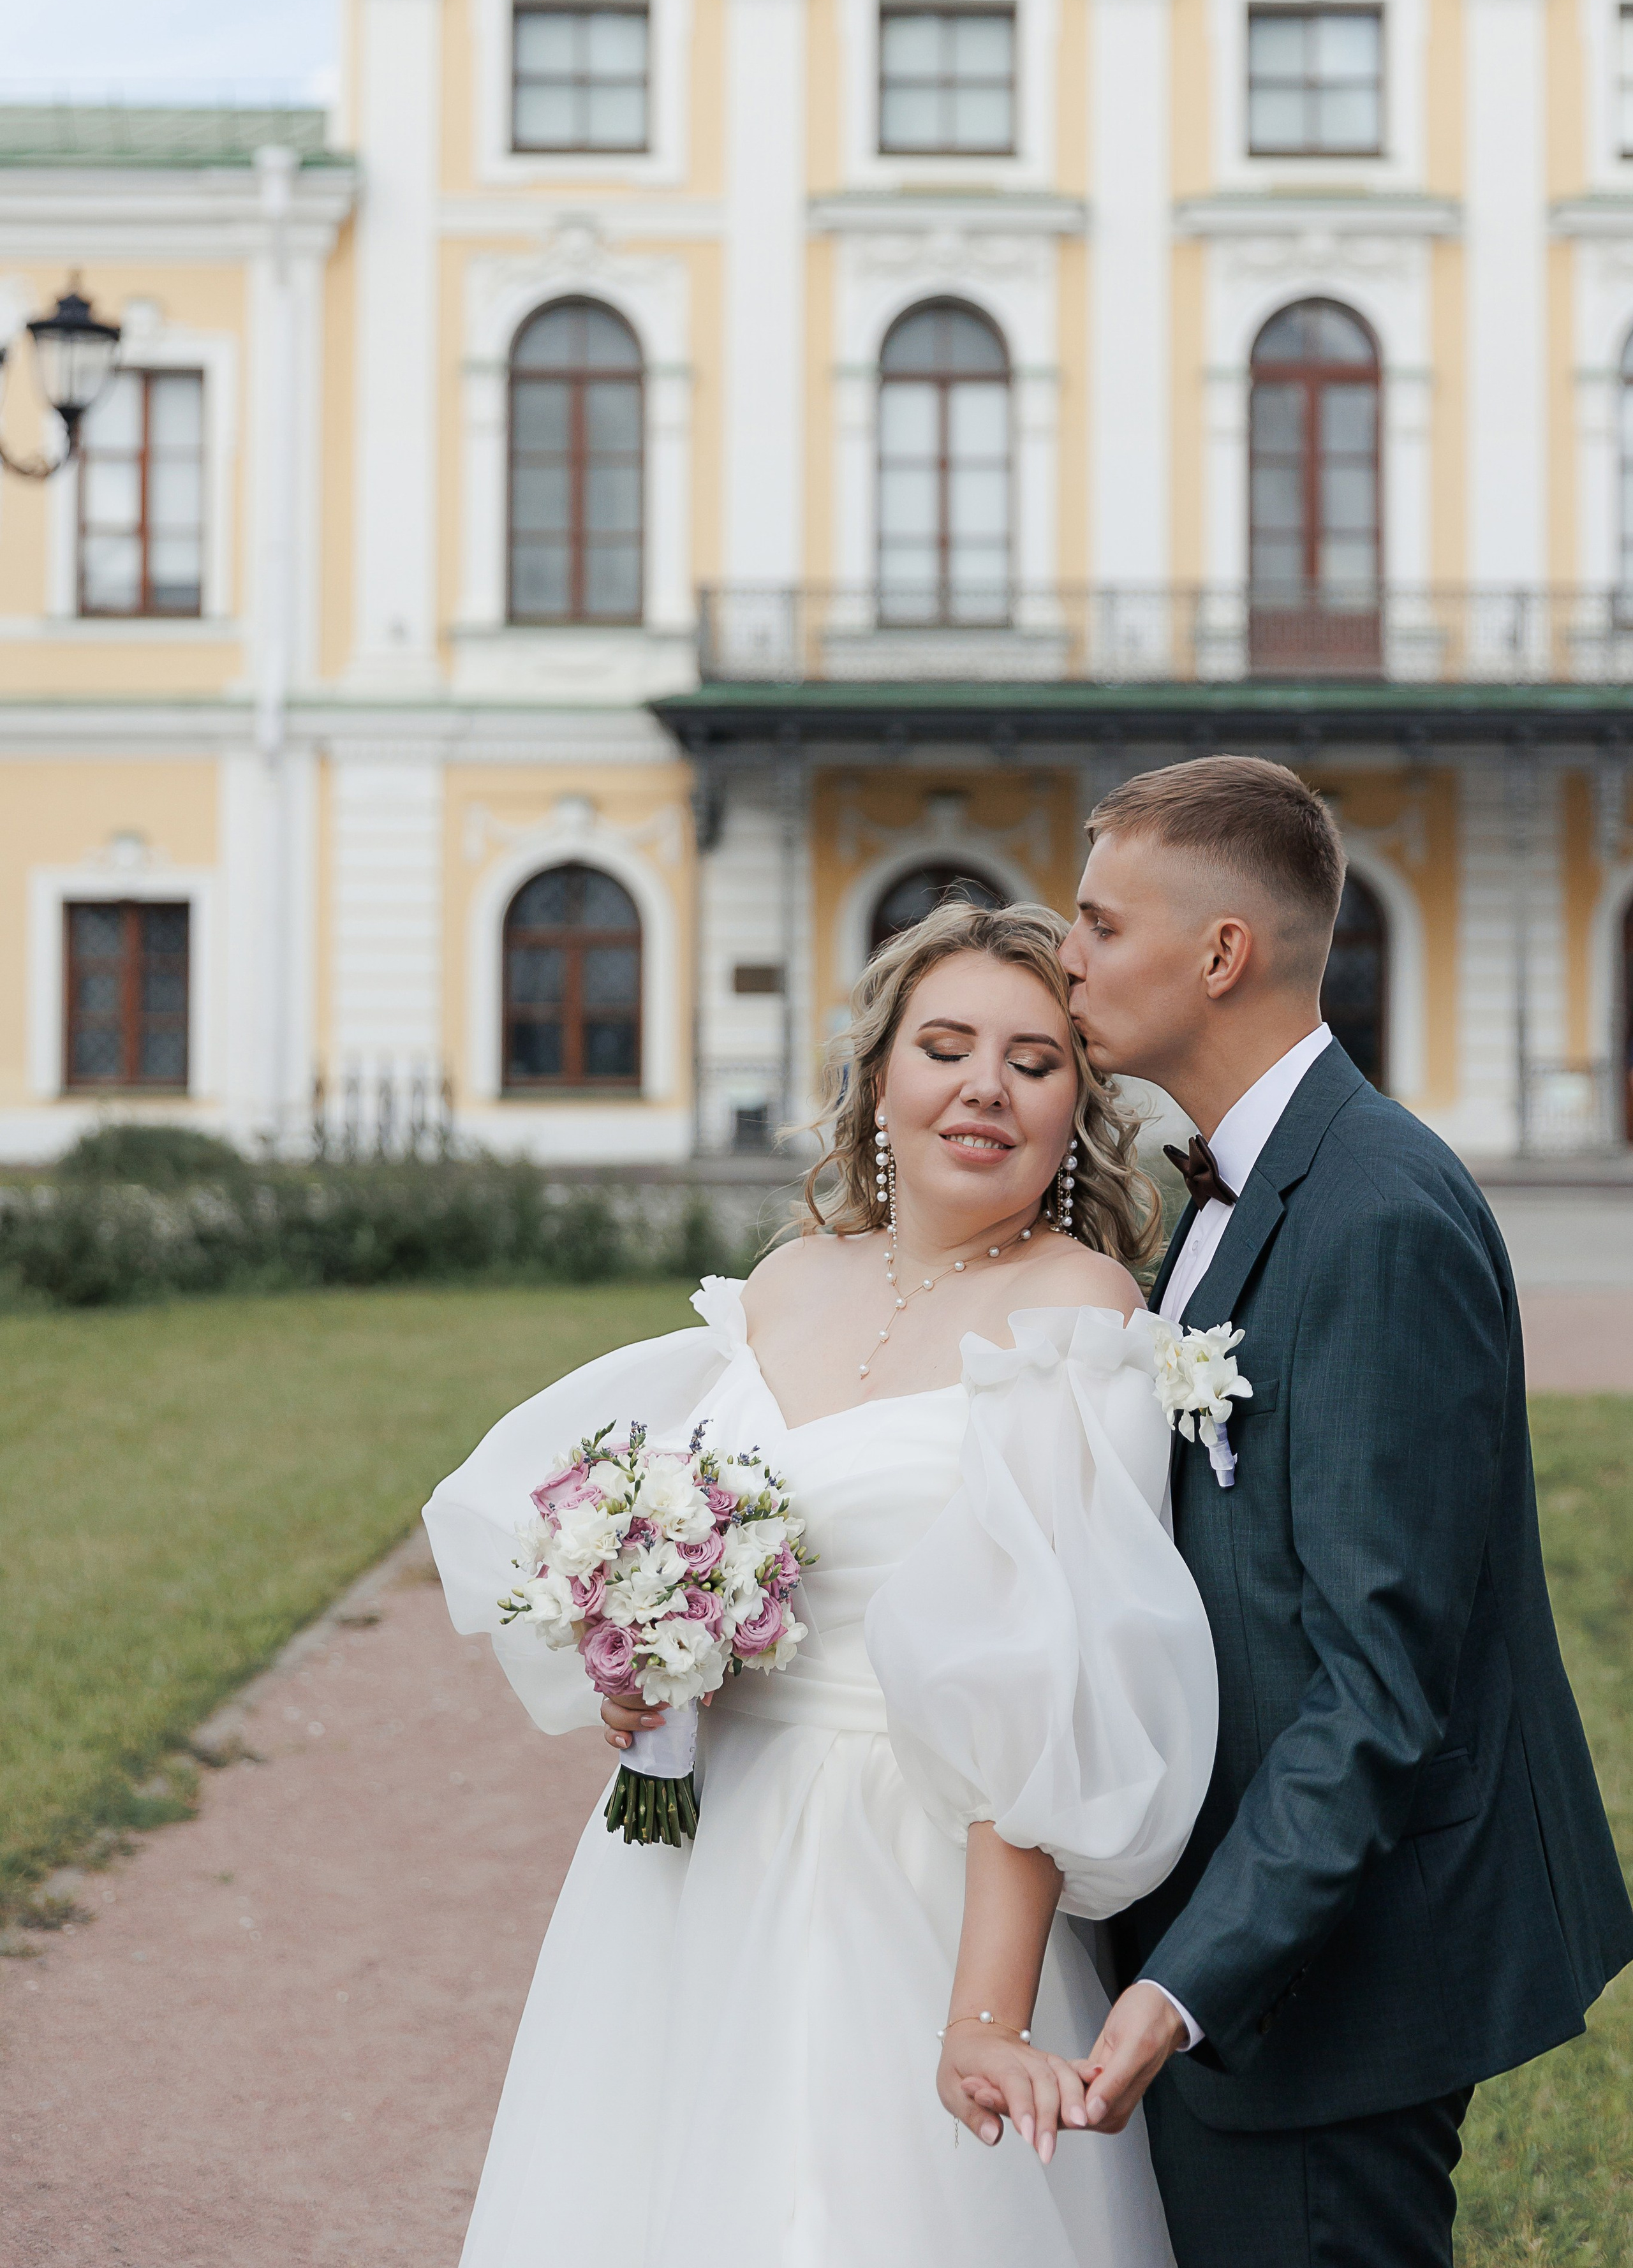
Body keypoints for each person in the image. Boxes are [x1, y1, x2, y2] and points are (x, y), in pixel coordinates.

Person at [424, 901, 1219, 2268]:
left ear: (1076, 1109)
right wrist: (647, 1669)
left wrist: (982, 2015)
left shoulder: (1078, 1313)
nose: (984, 1087)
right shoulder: (788, 1279)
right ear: (879, 1079)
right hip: (685, 1858)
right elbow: (696, 1539)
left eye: (1032, 1062)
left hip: (903, 1868)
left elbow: (1044, 1684)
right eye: (946, 1048)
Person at [1030, 754, 1632, 2268]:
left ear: (1219, 953)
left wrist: (1190, 1981)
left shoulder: (1372, 1216)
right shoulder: (1232, 1190)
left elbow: (1378, 1682)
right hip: (1235, 1939)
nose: (1066, 956)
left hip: (1324, 1987)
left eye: (1100, 922)